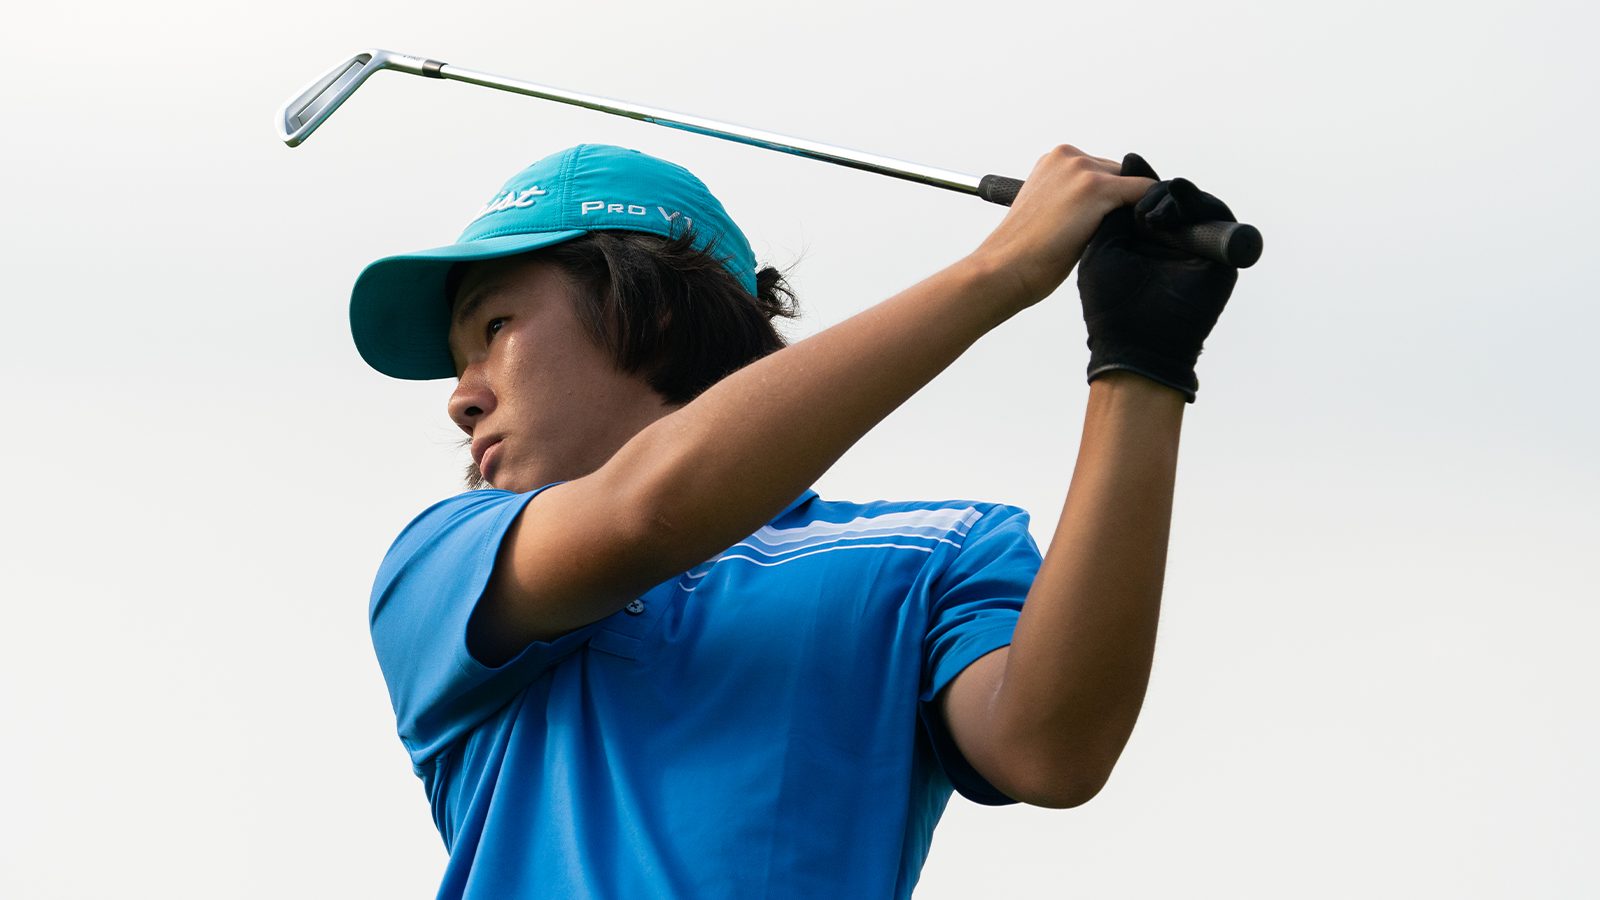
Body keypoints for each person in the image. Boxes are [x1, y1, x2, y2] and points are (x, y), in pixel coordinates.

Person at [352, 142, 1238, 899]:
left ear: (648, 309)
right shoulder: (446, 557)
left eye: (494, 326)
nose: (461, 401)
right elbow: (650, 511)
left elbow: (1052, 752)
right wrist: (998, 270)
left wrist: (1142, 362)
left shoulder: (935, 553)